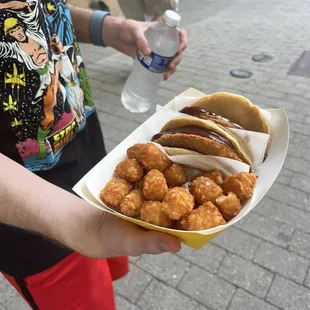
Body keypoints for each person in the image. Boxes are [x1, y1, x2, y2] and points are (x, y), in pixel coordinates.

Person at [0, 0, 187, 309]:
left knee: (104, 287)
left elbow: (32, 7)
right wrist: (77, 224)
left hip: (93, 179)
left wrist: (110, 29)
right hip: (38, 226)